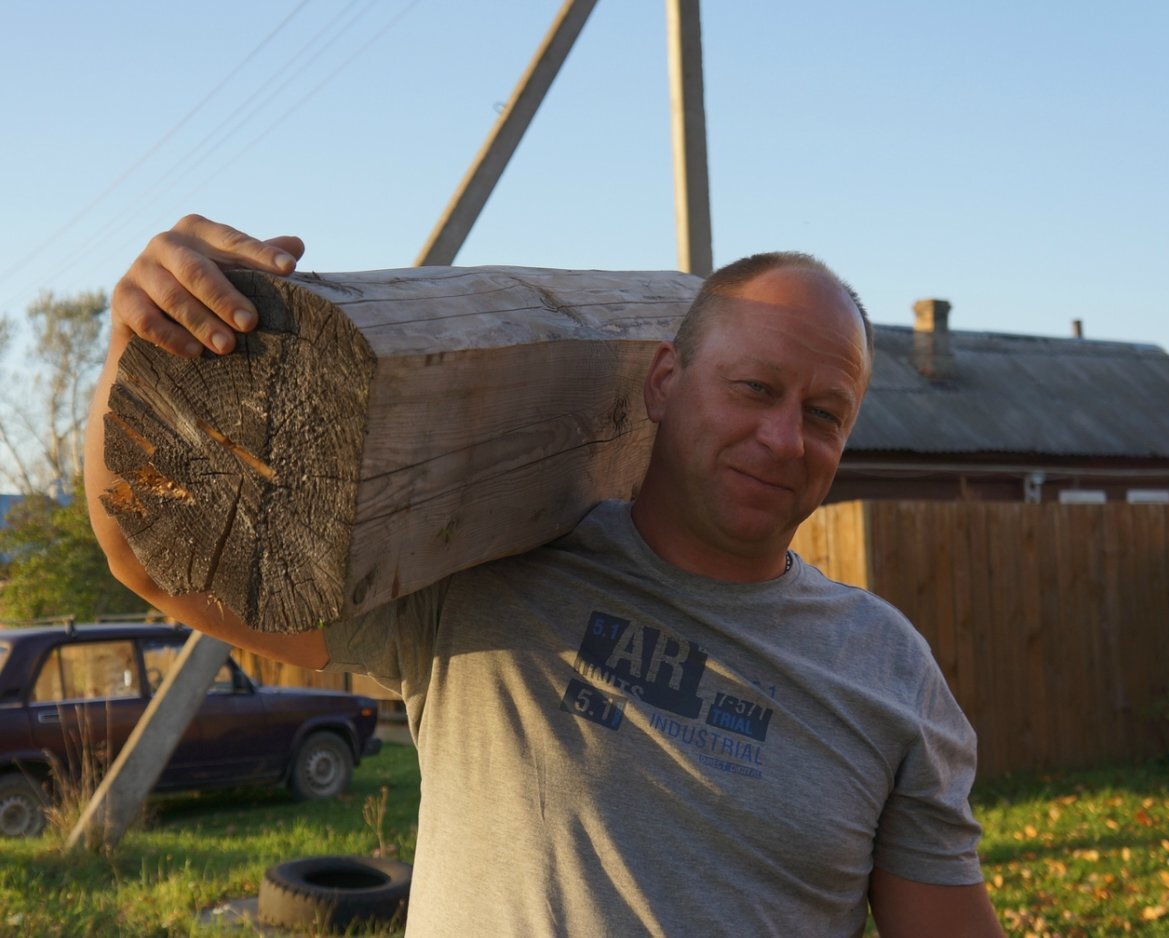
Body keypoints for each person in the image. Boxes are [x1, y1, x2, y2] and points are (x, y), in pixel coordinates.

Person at [85, 214, 1004, 936]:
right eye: (755, 389)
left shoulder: (887, 670)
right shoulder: (486, 569)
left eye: (826, 413)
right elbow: (151, 564)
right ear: (663, 383)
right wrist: (140, 344)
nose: (783, 439)